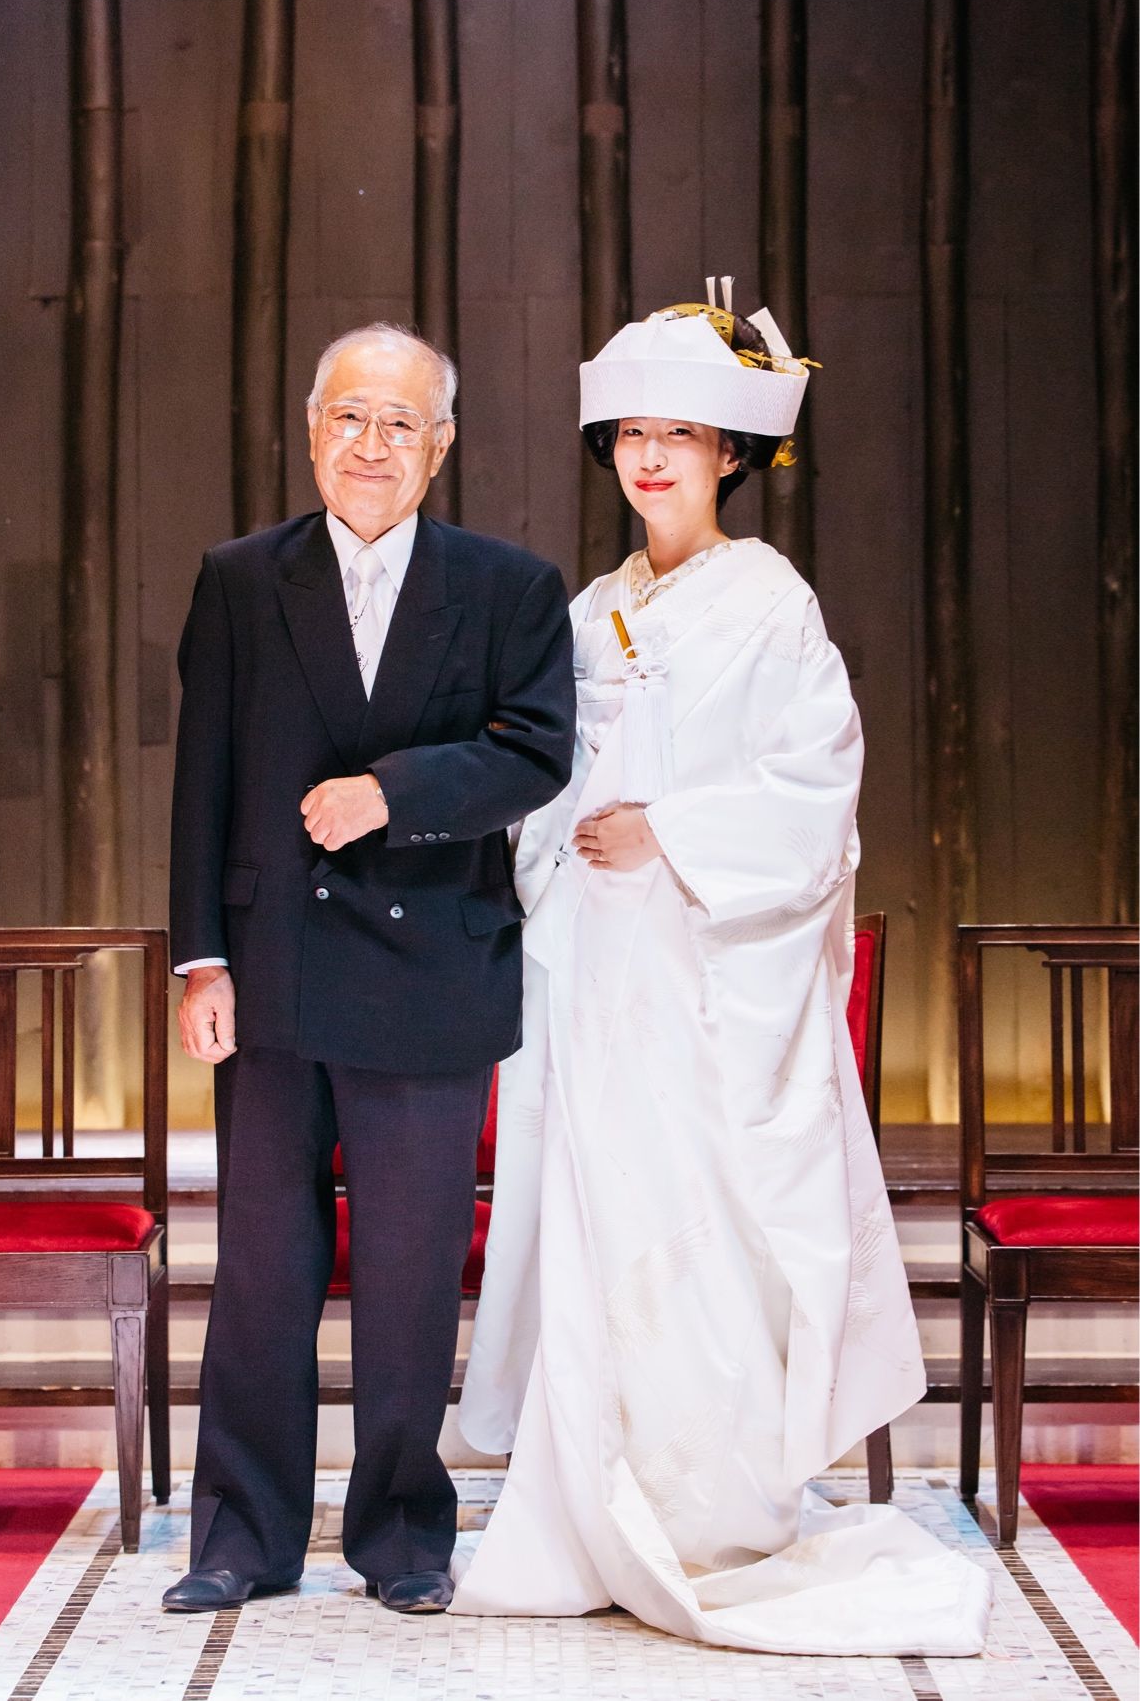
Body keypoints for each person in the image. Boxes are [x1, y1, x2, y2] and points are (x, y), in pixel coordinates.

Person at [451, 295, 992, 1654]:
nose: (650, 458)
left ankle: (707, 1512)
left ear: (730, 455)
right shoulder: (589, 608)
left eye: (680, 435)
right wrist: (553, 838)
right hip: (596, 959)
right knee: (599, 1209)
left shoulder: (769, 601)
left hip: (703, 968)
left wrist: (668, 832)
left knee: (700, 1214)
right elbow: (544, 767)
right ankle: (588, 1507)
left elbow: (815, 784)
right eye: (632, 433)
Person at [162, 323, 576, 1616]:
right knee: (261, 1270)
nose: (371, 444)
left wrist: (392, 793)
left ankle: (402, 1537)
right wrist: (201, 962)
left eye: (401, 423)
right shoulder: (241, 579)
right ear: (310, 430)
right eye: (350, 416)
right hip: (273, 971)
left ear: (439, 446)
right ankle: (241, 1537)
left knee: (407, 1273)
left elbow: (536, 752)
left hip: (430, 973)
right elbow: (201, 780)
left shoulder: (508, 586)